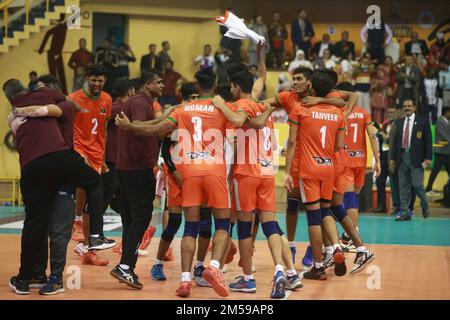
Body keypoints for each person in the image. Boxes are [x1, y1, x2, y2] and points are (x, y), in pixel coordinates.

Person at [115, 68, 231, 298]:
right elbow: (243, 121)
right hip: (215, 171)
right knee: (222, 225)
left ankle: (185, 280)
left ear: (196, 86)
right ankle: (213, 267)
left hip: (189, 173)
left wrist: (130, 127)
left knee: (189, 227)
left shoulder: (182, 109)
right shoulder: (222, 108)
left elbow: (156, 129)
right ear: (215, 84)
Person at [3, 79, 113, 295]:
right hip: (59, 163)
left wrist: (22, 110)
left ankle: (31, 278)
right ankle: (94, 236)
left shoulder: (19, 113)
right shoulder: (53, 99)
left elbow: (47, 112)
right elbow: (59, 107)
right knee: (52, 227)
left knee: (38, 225)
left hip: (33, 167)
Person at [211, 71, 299, 298]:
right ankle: (281, 270)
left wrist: (221, 105)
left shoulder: (243, 104)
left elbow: (238, 119)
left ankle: (248, 279)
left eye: (232, 87)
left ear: (236, 87)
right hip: (267, 173)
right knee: (271, 225)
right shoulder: (264, 110)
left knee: (243, 227)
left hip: (247, 173)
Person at [285, 72, 345, 280]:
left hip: (309, 170)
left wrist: (286, 172)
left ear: (312, 89)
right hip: (329, 167)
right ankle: (336, 247)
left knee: (313, 217)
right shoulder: (338, 113)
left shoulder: (301, 109)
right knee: (326, 209)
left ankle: (318, 267)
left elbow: (292, 142)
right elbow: (338, 145)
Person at [110, 69, 164, 289]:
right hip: (137, 169)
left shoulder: (135, 101)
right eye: (158, 82)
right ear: (148, 84)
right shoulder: (141, 102)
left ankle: (126, 266)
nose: (162, 86)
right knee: (141, 216)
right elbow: (141, 129)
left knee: (131, 219)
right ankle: (124, 266)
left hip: (127, 169)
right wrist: (165, 126)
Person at [69, 64, 114, 266]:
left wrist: (103, 159)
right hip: (79, 149)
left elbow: (103, 129)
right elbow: (67, 128)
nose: (97, 83)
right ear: (87, 78)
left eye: (100, 80)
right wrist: (76, 151)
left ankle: (88, 249)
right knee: (86, 187)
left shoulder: (107, 99)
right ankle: (77, 220)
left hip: (97, 154)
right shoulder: (73, 99)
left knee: (92, 204)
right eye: (94, 79)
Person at [389, 99, 432, 221]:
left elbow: (428, 141)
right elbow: (395, 143)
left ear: (414, 108)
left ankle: (425, 206)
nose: (407, 108)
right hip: (401, 157)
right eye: (404, 106)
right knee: (403, 186)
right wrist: (392, 159)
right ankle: (405, 212)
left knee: (417, 185)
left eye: (409, 106)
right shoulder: (399, 122)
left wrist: (428, 157)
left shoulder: (422, 121)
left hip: (417, 159)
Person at [426, 107, 450, 194]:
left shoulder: (447, 122)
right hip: (440, 151)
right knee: (435, 171)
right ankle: (428, 187)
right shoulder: (440, 122)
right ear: (446, 112)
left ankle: (428, 187)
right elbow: (444, 135)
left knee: (441, 170)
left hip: (446, 151)